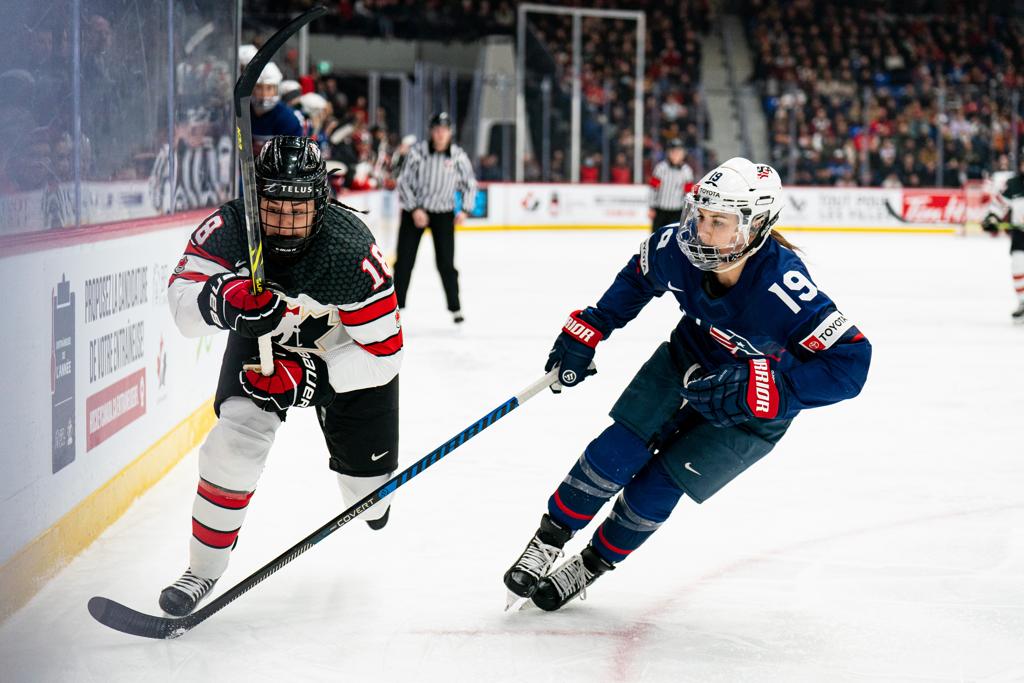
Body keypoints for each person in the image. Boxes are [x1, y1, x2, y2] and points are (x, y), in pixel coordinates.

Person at [503, 157, 871, 611]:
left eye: (719, 222)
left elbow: (851, 363)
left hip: (755, 403)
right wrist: (592, 326)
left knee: (658, 486)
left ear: (756, 227)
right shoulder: (677, 249)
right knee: (617, 450)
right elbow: (640, 276)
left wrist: (772, 389)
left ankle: (592, 564)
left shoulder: (783, 287)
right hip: (689, 358)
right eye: (701, 215)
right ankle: (548, 540)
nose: (702, 231)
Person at [160, 136, 403, 616]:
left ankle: (365, 482)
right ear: (255, 200)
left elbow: (385, 357)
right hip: (263, 343)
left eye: (298, 210)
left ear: (321, 203)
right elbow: (183, 307)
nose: (285, 223)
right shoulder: (230, 228)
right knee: (232, 448)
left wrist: (313, 379)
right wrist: (226, 299)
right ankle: (202, 569)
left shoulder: (352, 254)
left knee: (370, 500)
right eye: (273, 208)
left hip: (346, 355)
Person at [394, 112, 477, 323]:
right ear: (431, 131)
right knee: (404, 261)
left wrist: (465, 209)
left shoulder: (458, 156)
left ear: (450, 132)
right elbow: (403, 181)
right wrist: (415, 209)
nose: (440, 134)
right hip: (415, 212)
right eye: (437, 129)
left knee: (446, 264)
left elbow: (469, 184)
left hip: (443, 214)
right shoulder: (418, 153)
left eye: (444, 130)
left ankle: (455, 308)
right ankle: (395, 307)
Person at [981, 162, 1024, 323]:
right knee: (1018, 265)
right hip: (1020, 234)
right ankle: (1023, 302)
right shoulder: (1013, 184)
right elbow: (998, 205)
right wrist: (992, 218)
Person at [648, 138, 694, 232]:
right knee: (656, 236)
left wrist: (687, 212)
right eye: (673, 151)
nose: (676, 154)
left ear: (683, 154)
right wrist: (651, 207)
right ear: (668, 153)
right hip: (660, 211)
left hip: (677, 212)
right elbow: (653, 189)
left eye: (679, 152)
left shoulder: (687, 171)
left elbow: (688, 193)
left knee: (673, 238)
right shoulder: (660, 168)